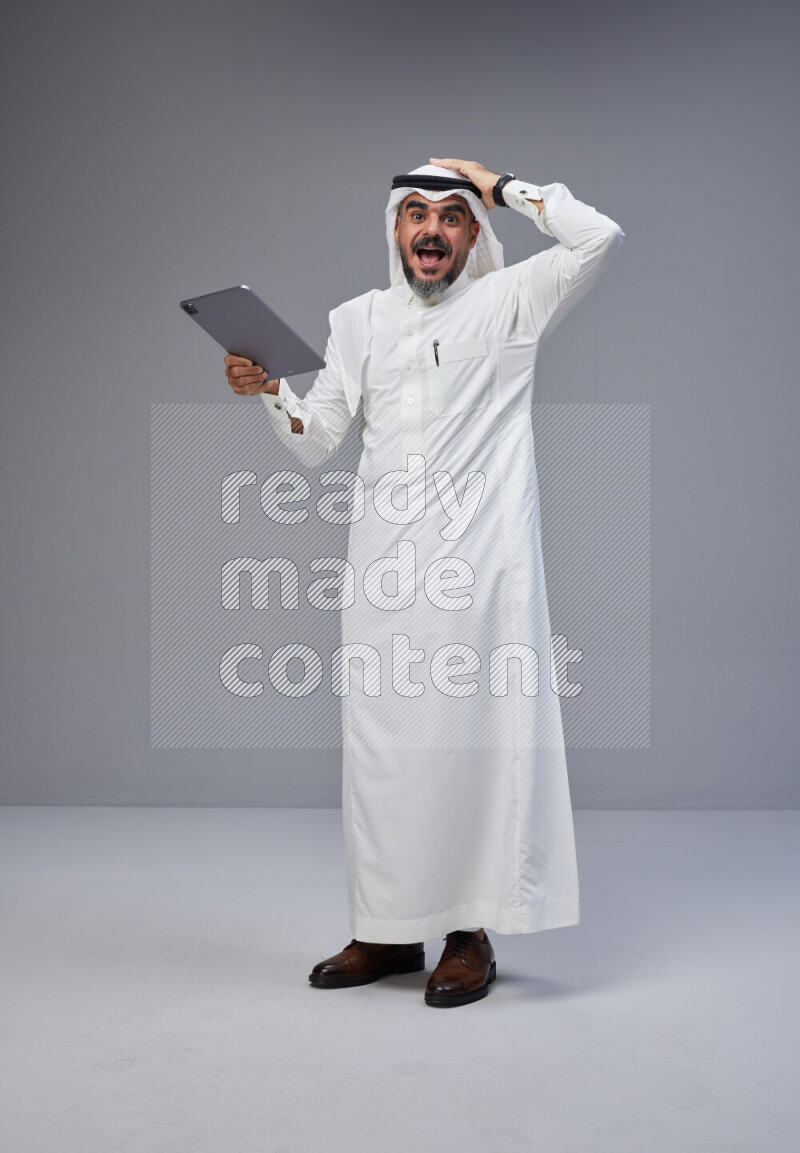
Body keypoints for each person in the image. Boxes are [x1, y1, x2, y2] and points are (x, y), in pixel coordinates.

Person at [225, 158, 624, 1007]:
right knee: (386, 750)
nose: (432, 229)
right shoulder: (357, 320)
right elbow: (315, 436)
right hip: (382, 565)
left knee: (472, 744)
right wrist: (269, 390)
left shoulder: (512, 300)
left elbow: (598, 237)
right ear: (394, 231)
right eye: (415, 214)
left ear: (473, 234)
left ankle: (468, 933)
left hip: (484, 568)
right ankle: (386, 927)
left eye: (450, 215)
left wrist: (501, 183)